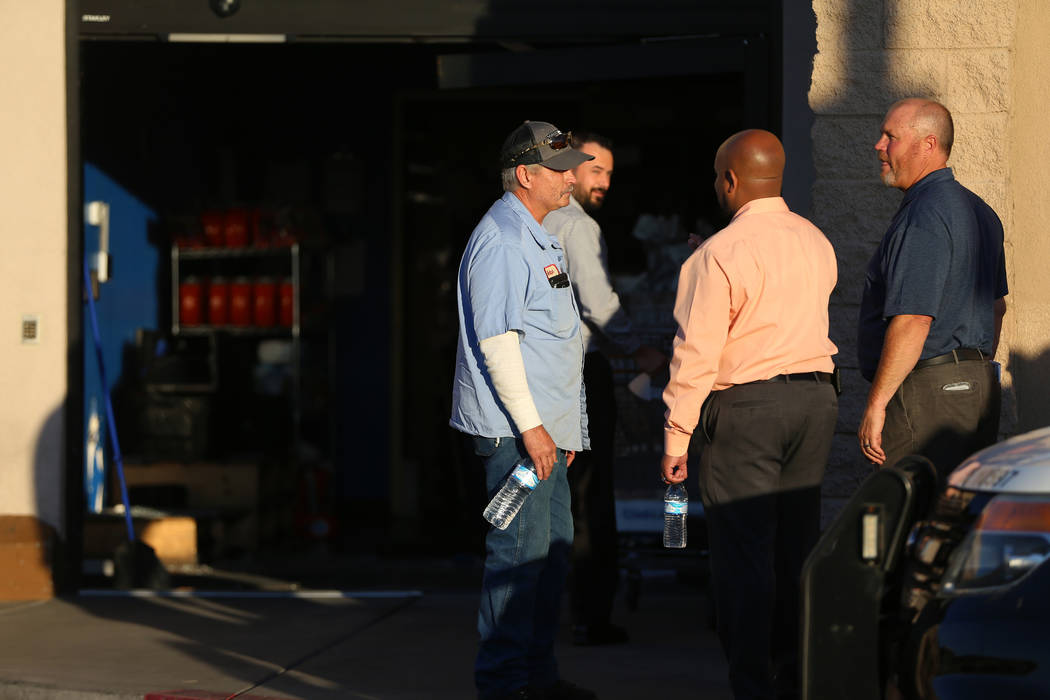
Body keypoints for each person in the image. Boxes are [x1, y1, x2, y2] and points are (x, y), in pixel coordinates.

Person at [661, 129, 839, 700]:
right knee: (795, 548)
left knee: (743, 555)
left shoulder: (718, 254)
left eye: (718, 176)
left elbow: (696, 355)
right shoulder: (815, 239)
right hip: (815, 402)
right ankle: (796, 674)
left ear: (731, 180)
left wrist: (676, 440)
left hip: (748, 409)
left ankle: (752, 685)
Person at [450, 120, 598, 700]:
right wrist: (536, 430)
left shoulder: (538, 234)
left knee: (550, 555)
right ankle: (504, 686)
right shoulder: (506, 239)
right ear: (525, 175)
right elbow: (497, 342)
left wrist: (558, 430)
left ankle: (535, 679)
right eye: (558, 169)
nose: (570, 178)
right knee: (517, 559)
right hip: (516, 436)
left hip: (542, 434)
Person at [541, 131, 666, 646]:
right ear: (570, 170)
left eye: (611, 173)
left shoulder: (535, 223)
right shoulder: (577, 225)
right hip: (578, 377)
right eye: (596, 170)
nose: (605, 182)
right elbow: (597, 303)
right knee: (591, 497)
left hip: (545, 376)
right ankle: (591, 613)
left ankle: (551, 610)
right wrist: (638, 350)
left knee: (555, 495)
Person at [857, 98, 1008, 480]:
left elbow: (913, 318)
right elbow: (997, 308)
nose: (879, 146)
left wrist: (877, 404)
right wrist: (970, 374)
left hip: (927, 394)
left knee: (900, 521)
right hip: (977, 388)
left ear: (927, 144)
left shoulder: (925, 213)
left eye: (890, 136)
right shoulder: (981, 211)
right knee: (955, 520)